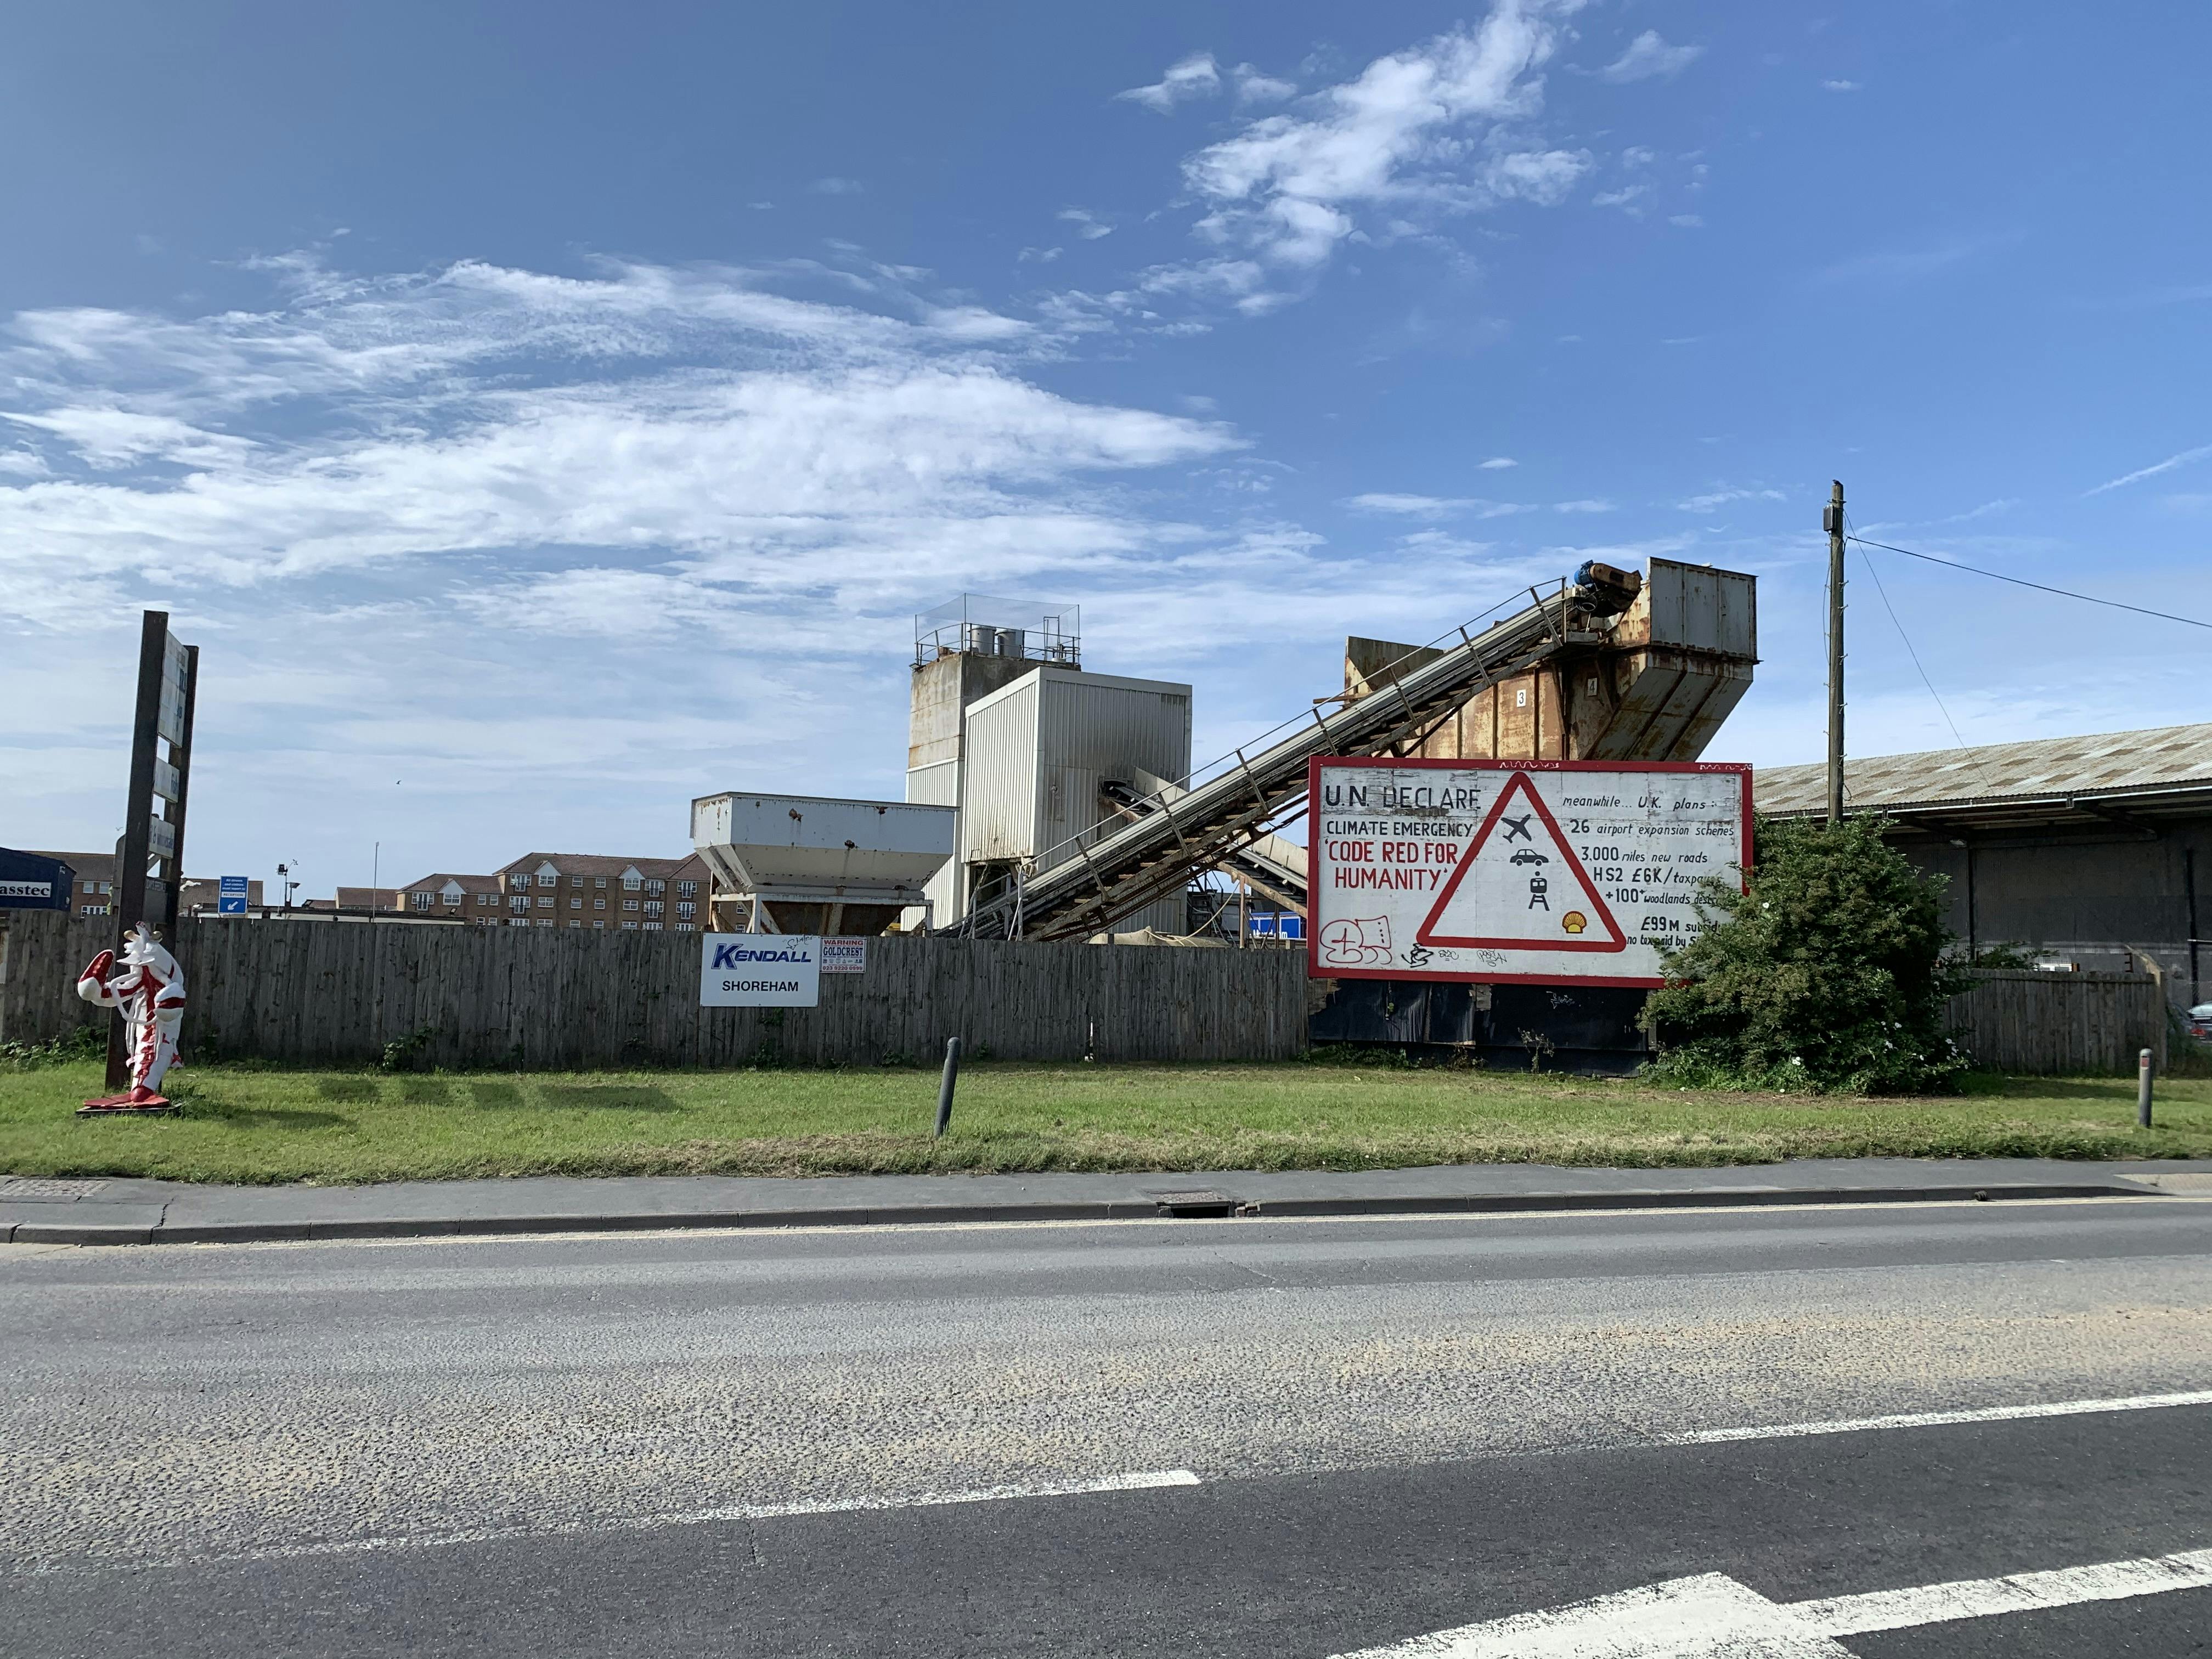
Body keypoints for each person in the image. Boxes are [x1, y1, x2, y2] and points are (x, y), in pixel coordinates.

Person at [76, 923, 187, 1111]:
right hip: (144, 1021)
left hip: (164, 1030)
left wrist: (168, 1003)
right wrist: (94, 991)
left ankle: (144, 1091)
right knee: (143, 1051)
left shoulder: (169, 977)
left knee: (161, 1052)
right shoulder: (141, 977)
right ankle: (140, 1091)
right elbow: (118, 992)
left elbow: (175, 998)